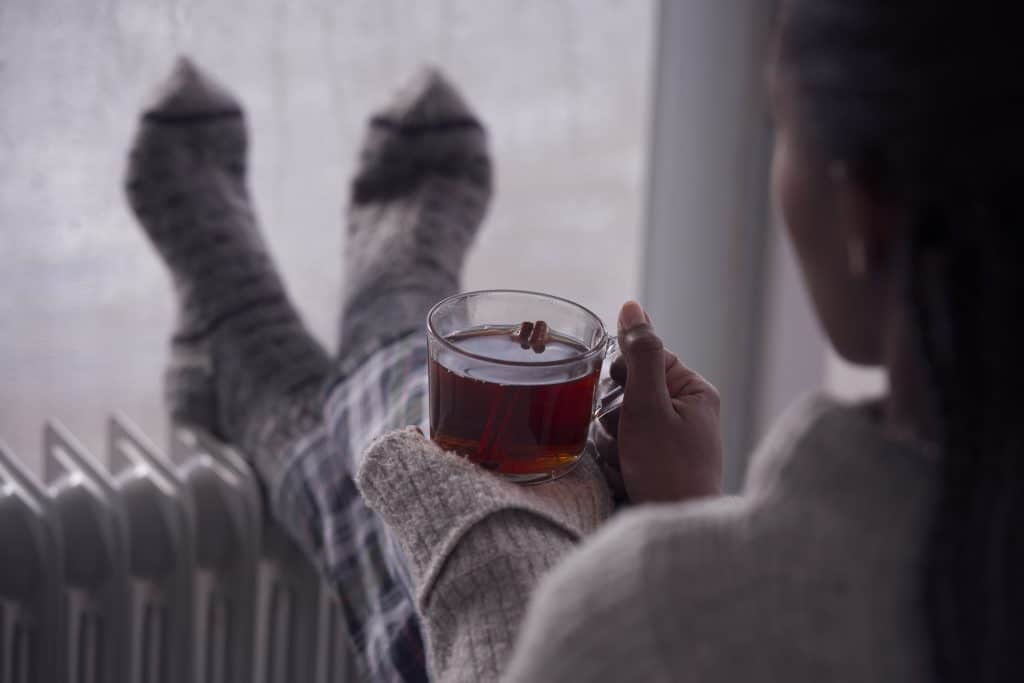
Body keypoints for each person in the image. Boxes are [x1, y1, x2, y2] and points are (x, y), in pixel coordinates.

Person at [127, 2, 1022, 682]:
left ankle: (274, 344)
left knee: (417, 431)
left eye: (776, 127)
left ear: (864, 209)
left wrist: (483, 549)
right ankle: (285, 352)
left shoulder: (632, 624)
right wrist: (676, 515)